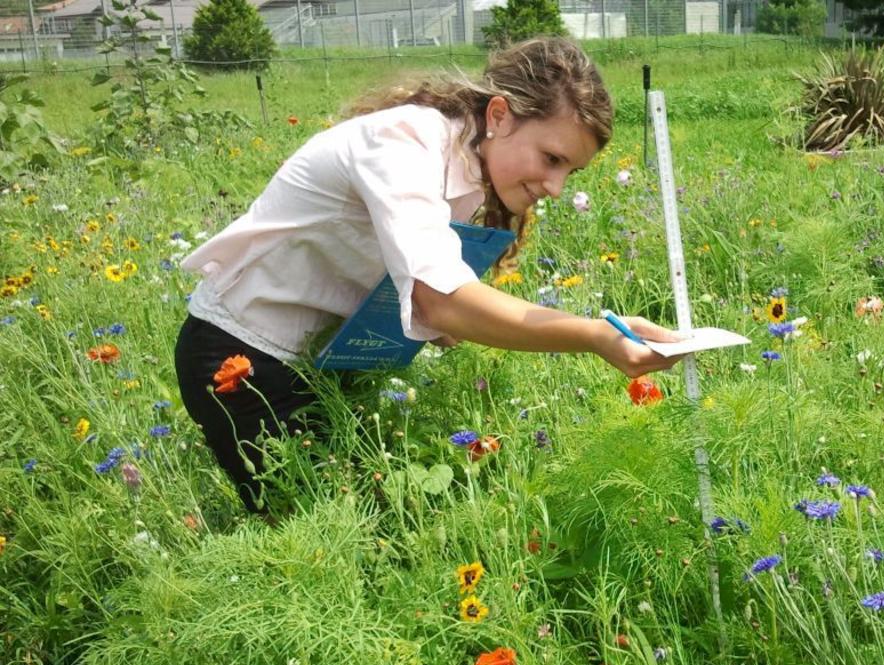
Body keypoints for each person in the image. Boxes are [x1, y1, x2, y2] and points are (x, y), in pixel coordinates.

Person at [174, 37, 681, 513]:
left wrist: (440, 320)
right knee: (314, 538)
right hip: (241, 355)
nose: (554, 185)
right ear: (499, 115)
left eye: (570, 172)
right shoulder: (403, 144)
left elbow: (429, 297)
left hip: (326, 361)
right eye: (551, 158)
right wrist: (596, 336)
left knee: (363, 526)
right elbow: (443, 300)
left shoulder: (466, 164)